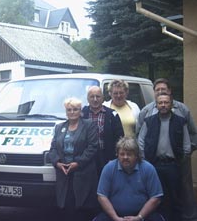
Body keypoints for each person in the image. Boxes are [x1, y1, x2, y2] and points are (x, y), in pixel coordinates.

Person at [136, 78, 197, 221]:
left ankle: (187, 218)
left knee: (180, 192)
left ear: (170, 93)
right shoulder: (147, 113)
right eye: (157, 90)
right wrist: (144, 158)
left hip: (177, 161)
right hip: (153, 162)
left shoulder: (182, 111)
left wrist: (183, 155)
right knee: (156, 193)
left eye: (164, 90)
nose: (161, 93)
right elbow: (139, 137)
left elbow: (191, 134)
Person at [49, 97, 99, 221]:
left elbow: (92, 147)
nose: (72, 112)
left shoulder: (89, 125)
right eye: (69, 109)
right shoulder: (59, 127)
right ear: (66, 112)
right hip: (64, 173)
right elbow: (53, 148)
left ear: (80, 111)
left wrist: (77, 163)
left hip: (82, 173)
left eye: (75, 109)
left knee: (82, 210)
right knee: (66, 208)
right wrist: (57, 163)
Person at [95, 137, 164, 221]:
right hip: (114, 215)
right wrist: (115, 218)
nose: (125, 157)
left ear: (136, 155)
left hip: (143, 215)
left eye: (129, 154)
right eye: (122, 154)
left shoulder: (148, 168)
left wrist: (139, 217)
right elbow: (102, 196)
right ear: (117, 154)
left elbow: (156, 197)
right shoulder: (109, 168)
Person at [82, 86, 124, 175]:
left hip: (107, 157)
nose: (95, 99)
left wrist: (115, 157)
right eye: (92, 97)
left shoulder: (112, 114)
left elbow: (120, 137)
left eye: (98, 96)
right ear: (87, 98)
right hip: (86, 158)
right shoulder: (82, 113)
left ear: (103, 98)